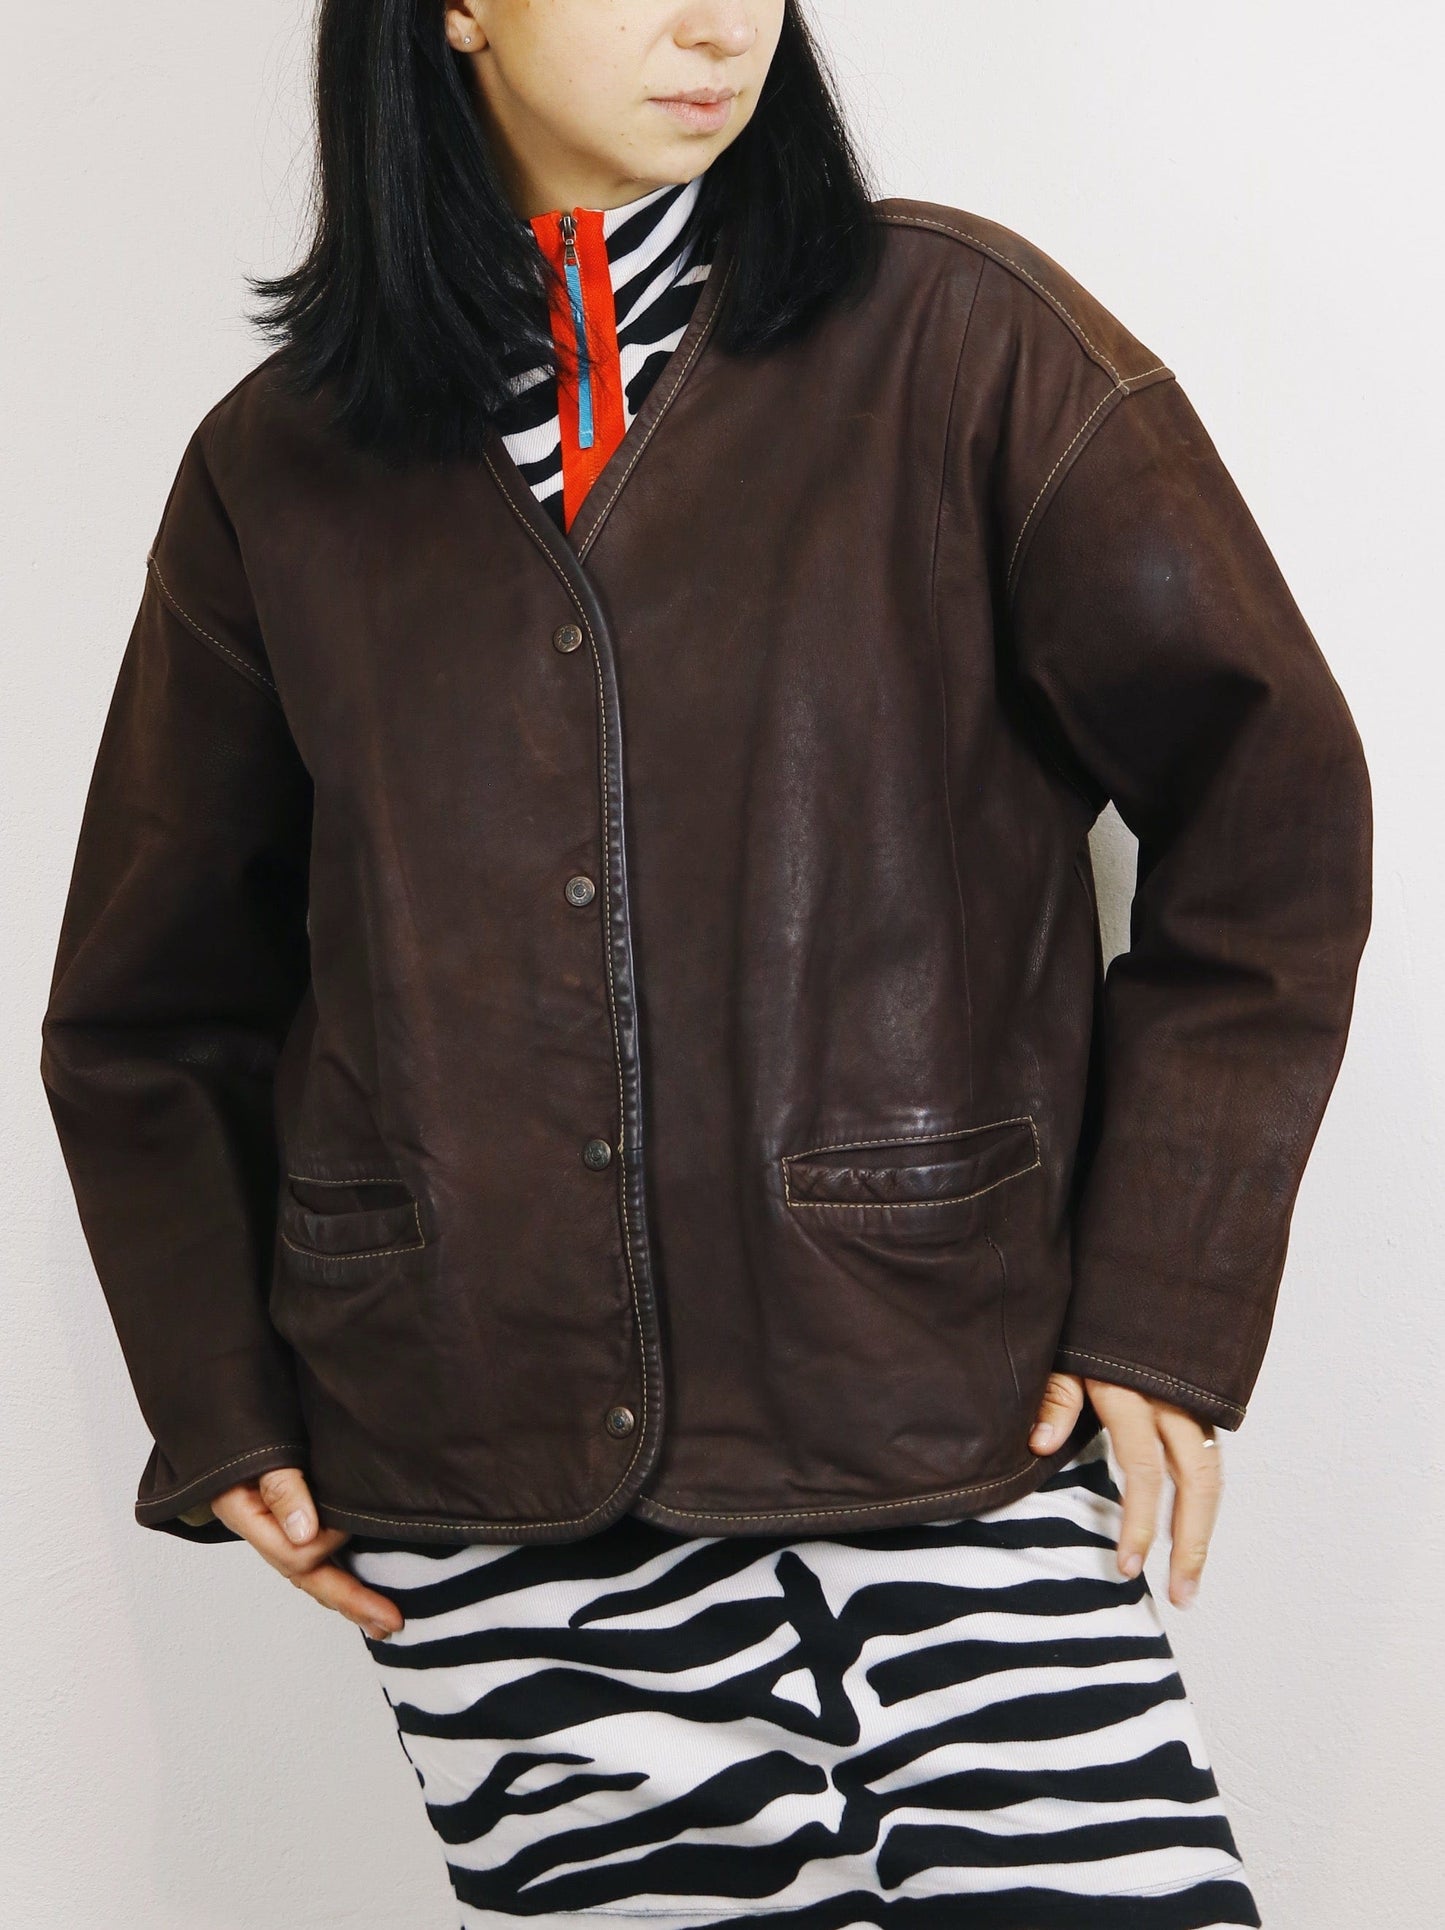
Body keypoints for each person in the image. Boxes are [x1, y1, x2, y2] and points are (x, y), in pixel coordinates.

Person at [38, 4, 1372, 1927]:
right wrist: (220, 1394)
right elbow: (149, 1005)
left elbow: (1270, 804)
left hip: (939, 1423)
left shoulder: (961, 342)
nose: (718, 18)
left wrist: (1166, 1288)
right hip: (482, 1474)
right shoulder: (281, 470)